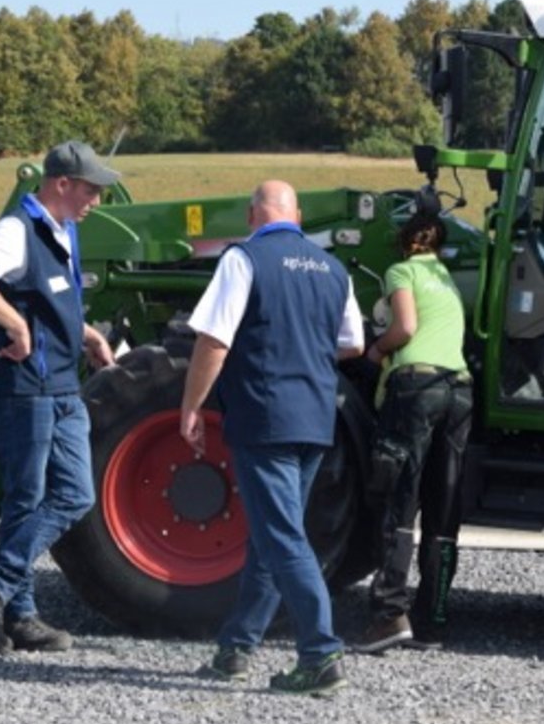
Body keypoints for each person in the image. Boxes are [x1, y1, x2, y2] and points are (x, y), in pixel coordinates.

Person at [181, 180, 364, 697]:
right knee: (271, 532)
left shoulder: (244, 259)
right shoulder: (332, 268)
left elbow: (214, 340)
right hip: (315, 418)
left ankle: (321, 653)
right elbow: (352, 343)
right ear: (298, 216)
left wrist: (191, 405)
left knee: (283, 536)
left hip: (264, 417)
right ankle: (236, 648)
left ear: (251, 216)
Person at [0, 139, 118, 654]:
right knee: (27, 497)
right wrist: (14, 323)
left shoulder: (61, 230)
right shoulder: (18, 229)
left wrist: (84, 331)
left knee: (72, 494)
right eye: (90, 189)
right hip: (28, 387)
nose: (96, 200)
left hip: (60, 384)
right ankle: (16, 611)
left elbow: (48, 299)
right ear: (61, 184)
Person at [352, 210, 472, 654]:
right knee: (444, 507)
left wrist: (375, 351)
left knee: (401, 498)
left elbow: (404, 327)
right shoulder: (447, 278)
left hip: (417, 387)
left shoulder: (401, 270)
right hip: (459, 391)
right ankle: (433, 620)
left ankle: (388, 616)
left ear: (404, 242)